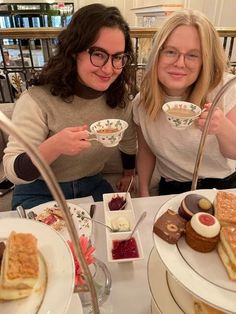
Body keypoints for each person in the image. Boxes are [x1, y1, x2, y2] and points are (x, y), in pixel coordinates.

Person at [3, 4, 137, 209]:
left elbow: (127, 142)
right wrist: (54, 146)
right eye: (99, 54)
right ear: (74, 51)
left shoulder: (120, 97)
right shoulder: (37, 100)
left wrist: (129, 175)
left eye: (118, 57)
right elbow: (14, 171)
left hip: (92, 184)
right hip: (39, 189)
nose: (109, 69)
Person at [133, 9, 236, 196]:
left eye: (192, 55)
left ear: (205, 60)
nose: (180, 63)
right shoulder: (142, 103)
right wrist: (144, 190)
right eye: (171, 52)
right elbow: (146, 151)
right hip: (172, 188)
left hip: (225, 186)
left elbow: (233, 153)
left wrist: (222, 127)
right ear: (157, 54)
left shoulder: (225, 89)